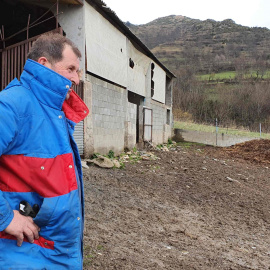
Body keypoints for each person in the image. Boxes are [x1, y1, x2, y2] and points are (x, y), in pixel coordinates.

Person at [0, 33, 89, 269]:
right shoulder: (11, 105)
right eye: (71, 69)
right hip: (25, 253)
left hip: (57, 250)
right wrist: (5, 218)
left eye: (77, 71)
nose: (76, 79)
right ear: (43, 64)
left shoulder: (56, 111)